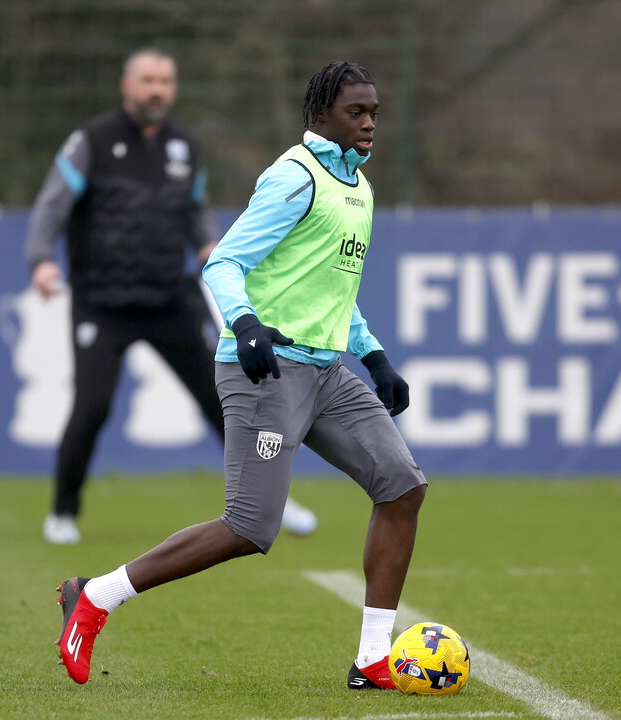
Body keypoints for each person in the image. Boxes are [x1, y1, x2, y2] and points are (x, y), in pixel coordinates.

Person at [54, 61, 427, 691]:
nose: (368, 124)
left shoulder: (358, 189)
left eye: (374, 113)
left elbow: (333, 289)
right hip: (266, 369)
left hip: (327, 371)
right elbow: (224, 262)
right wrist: (246, 324)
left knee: (402, 488)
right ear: (321, 116)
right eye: (355, 113)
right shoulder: (294, 177)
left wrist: (374, 353)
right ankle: (95, 595)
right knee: (251, 527)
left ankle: (371, 658)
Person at [24, 48, 317, 545]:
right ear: (127, 85)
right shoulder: (91, 141)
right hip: (102, 301)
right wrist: (42, 260)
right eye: (147, 80)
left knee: (223, 400)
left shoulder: (185, 146)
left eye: (164, 81)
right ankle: (63, 512)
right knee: (91, 407)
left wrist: (210, 245)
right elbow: (51, 206)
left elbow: (195, 212)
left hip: (168, 298)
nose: (156, 89)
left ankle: (271, 499)